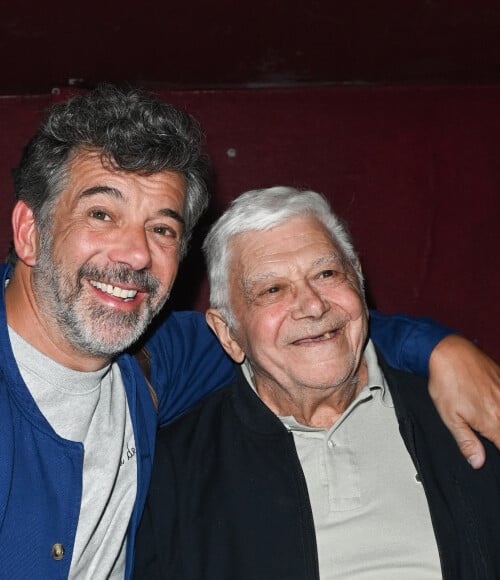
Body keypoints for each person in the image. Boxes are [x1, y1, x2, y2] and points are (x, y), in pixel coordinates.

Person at [0, 87, 498, 580]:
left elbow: (311, 331)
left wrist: (441, 348)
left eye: (163, 227)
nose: (135, 253)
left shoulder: (151, 358)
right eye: (102, 214)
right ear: (29, 232)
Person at [133, 186, 500, 579]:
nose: (312, 304)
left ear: (357, 280)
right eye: (272, 289)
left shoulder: (466, 410)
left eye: (326, 274)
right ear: (227, 333)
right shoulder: (172, 475)